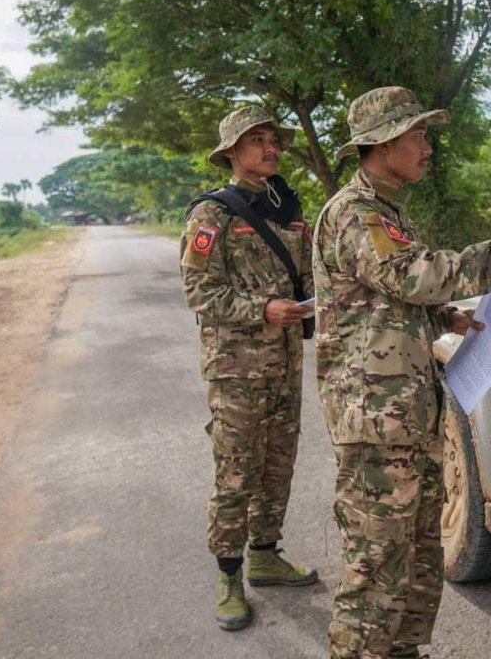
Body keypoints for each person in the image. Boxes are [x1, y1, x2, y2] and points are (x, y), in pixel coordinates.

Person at [314, 86, 491, 659]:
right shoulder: (355, 213)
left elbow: (385, 295)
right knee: (376, 567)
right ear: (382, 144)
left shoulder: (387, 212)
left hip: (407, 412)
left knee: (415, 555)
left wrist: (447, 317)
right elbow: (413, 276)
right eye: (417, 135)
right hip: (375, 421)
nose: (427, 147)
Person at [180, 104, 319, 632]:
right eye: (257, 140)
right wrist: (261, 310)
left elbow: (306, 277)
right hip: (236, 368)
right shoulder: (211, 214)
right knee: (236, 471)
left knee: (279, 462)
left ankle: (265, 554)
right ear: (232, 153)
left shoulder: (289, 207)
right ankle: (229, 575)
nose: (270, 148)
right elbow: (198, 290)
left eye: (274, 140)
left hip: (285, 360)